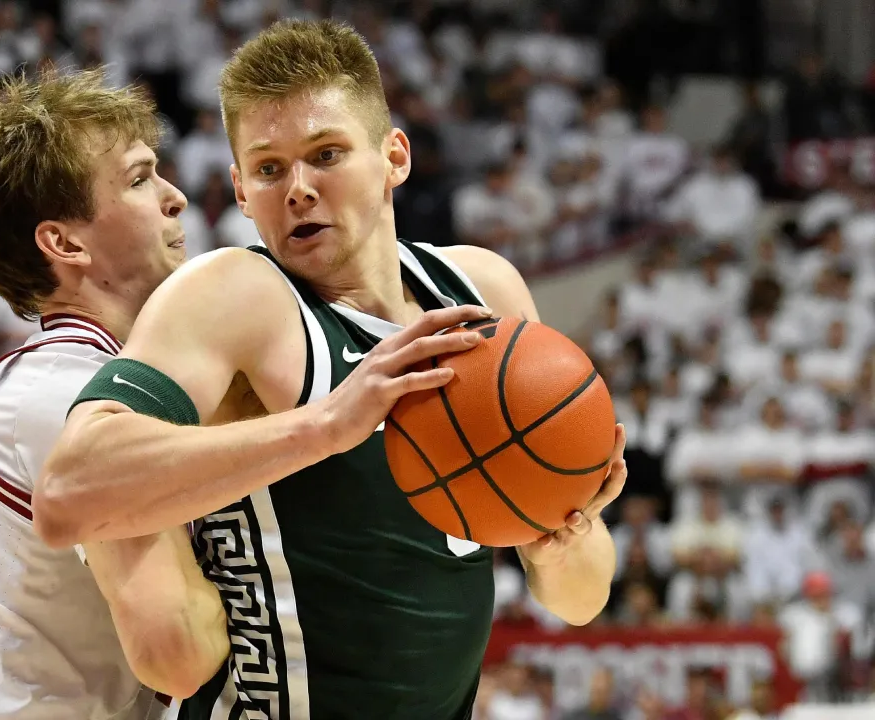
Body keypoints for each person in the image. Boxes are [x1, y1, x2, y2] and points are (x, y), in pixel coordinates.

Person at [41, 20, 627, 720]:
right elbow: (68, 490)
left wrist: (568, 532)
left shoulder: (482, 292)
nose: (297, 188)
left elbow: (580, 600)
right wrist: (324, 426)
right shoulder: (237, 296)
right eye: (268, 169)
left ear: (395, 157)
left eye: (325, 155)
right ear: (238, 190)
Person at [0, 69, 227, 720]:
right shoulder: (64, 394)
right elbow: (178, 653)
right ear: (64, 241)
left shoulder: (119, 374)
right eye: (140, 179)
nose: (177, 199)